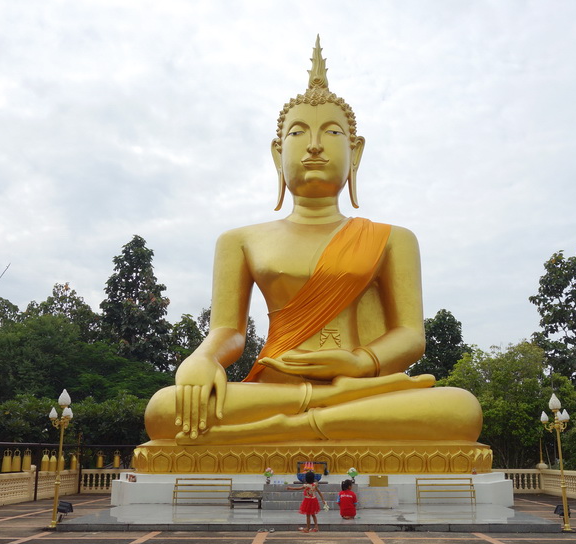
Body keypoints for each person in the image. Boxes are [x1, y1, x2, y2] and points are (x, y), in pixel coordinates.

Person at [143, 37, 482, 447]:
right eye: (298, 133)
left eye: (332, 132)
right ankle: (327, 411)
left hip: (360, 384)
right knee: (166, 409)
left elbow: (411, 335)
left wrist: (361, 363)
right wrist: (202, 358)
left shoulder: (393, 239)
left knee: (461, 409)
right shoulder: (240, 240)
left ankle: (294, 426)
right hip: (276, 389)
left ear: (355, 153)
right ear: (277, 153)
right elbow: (229, 331)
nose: (315, 144)